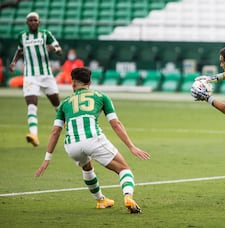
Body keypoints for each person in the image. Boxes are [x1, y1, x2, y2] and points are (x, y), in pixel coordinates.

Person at [35, 67, 150, 213]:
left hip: (72, 146)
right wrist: (131, 147)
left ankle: (101, 200)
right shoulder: (101, 96)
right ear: (90, 82)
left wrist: (47, 159)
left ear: (73, 84)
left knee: (87, 166)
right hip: (93, 140)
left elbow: (55, 131)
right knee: (123, 169)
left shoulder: (64, 103)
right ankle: (128, 197)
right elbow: (115, 124)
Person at [8, 12, 62, 147]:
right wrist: (14, 62)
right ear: (27, 23)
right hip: (30, 76)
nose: (32, 22)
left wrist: (54, 49)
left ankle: (71, 127)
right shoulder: (22, 36)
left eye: (35, 20)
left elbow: (59, 49)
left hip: (46, 75)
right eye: (30, 20)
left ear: (39, 22)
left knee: (57, 106)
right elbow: (20, 50)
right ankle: (34, 135)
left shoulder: (46, 34)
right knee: (31, 106)